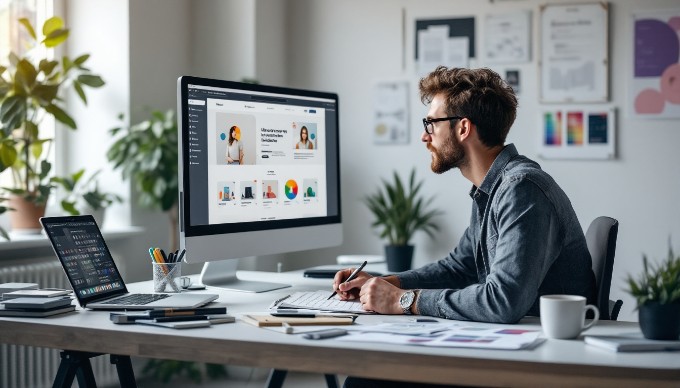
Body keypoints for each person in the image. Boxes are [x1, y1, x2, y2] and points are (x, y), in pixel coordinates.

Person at [338, 66, 596, 388]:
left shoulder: (521, 188)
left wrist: (403, 300)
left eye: (431, 123)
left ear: (462, 128)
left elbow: (502, 301)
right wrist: (385, 282)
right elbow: (460, 267)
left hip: (540, 363)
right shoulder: (493, 188)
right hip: (520, 348)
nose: (424, 135)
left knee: (367, 380)